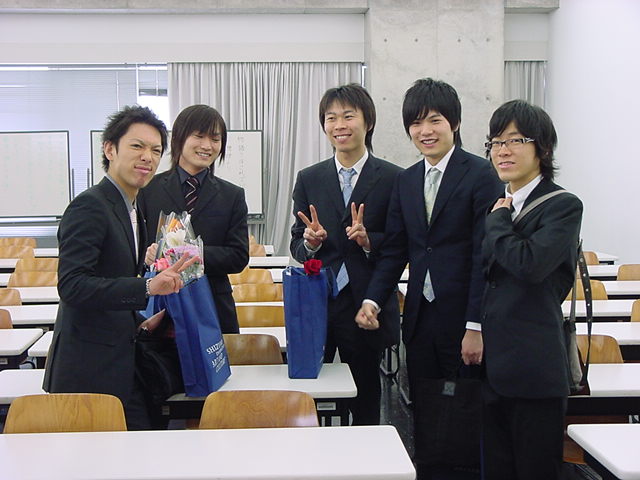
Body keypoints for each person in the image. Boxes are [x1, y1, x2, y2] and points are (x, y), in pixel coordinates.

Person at [356, 78, 503, 478]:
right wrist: (372, 300)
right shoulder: (406, 180)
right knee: (425, 409)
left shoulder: (481, 175)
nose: (425, 131)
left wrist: (475, 326)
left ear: (454, 123)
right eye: (416, 123)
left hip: (464, 319)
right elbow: (395, 251)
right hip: (421, 318)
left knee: (467, 411)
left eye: (434, 120)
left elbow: (485, 257)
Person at [43, 105, 196, 430]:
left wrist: (141, 321)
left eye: (156, 150)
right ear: (110, 149)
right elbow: (72, 286)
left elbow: (112, 279)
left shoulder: (133, 208)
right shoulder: (90, 206)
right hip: (87, 369)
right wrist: (147, 288)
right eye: (137, 146)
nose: (147, 157)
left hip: (122, 363)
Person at [480, 100, 583, 479]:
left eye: (515, 140)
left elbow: (529, 265)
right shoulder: (500, 205)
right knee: (497, 470)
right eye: (495, 142)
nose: (502, 151)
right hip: (495, 367)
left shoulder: (562, 206)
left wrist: (498, 222)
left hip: (535, 369)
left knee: (536, 471)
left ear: (543, 148)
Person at [290, 83, 402, 425]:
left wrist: (369, 242)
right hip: (318, 305)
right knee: (310, 395)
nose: (339, 125)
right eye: (331, 117)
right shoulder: (309, 178)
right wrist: (311, 243)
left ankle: (365, 453)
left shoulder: (394, 178)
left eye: (348, 116)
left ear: (368, 122)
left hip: (365, 303)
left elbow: (399, 245)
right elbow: (297, 245)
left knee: (366, 396)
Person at [140, 104, 249, 334]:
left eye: (215, 139)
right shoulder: (148, 189)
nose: (207, 146)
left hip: (214, 307)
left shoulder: (232, 195)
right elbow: (135, 250)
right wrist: (147, 257)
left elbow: (238, 256)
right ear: (179, 138)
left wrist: (189, 254)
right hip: (161, 306)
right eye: (199, 136)